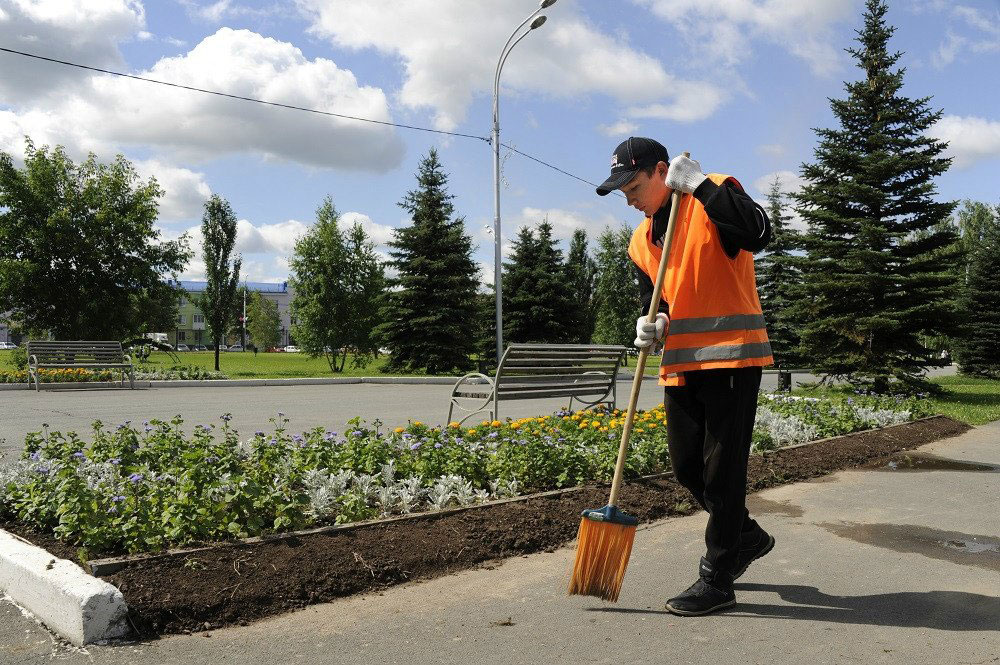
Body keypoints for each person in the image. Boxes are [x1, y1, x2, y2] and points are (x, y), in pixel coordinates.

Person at [595, 137, 775, 616]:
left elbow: (758, 232)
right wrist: (653, 324)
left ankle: (718, 577)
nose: (629, 198)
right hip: (680, 365)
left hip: (732, 360)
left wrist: (698, 186)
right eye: (622, 191)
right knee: (687, 469)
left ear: (661, 171)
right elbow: (660, 302)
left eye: (634, 186)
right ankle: (746, 536)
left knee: (723, 472)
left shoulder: (712, 194)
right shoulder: (640, 241)